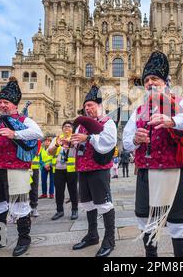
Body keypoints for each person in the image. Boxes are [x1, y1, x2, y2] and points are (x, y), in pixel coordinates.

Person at [123, 51, 183, 257]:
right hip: (145, 173)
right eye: (147, 80)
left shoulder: (181, 103)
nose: (150, 83)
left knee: (177, 223)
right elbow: (126, 141)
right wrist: (135, 139)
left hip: (172, 173)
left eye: (154, 79)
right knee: (145, 221)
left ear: (165, 82)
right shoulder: (138, 110)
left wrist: (172, 121)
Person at [0, 77, 43, 257]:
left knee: (20, 205)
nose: (3, 105)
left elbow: (38, 133)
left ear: (14, 104)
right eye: (1, 102)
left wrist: (14, 133)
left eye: (6, 102)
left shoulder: (24, 120)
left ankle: (23, 239)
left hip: (17, 169)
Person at [71, 85, 118, 257]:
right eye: (86, 106)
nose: (87, 108)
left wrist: (88, 137)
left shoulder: (108, 122)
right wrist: (71, 143)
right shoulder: (81, 125)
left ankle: (110, 240)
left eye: (90, 105)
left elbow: (108, 142)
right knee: (88, 203)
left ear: (99, 105)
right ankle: (92, 235)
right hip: (83, 169)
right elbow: (77, 144)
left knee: (103, 204)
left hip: (99, 169)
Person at [48, 121, 79, 221]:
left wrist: (72, 144)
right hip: (58, 169)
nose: (67, 128)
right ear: (62, 128)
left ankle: (74, 210)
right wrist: (57, 145)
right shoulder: (56, 139)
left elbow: (80, 150)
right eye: (65, 126)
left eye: (69, 126)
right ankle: (59, 211)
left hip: (71, 169)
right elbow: (49, 152)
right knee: (59, 191)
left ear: (72, 129)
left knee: (73, 190)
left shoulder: (75, 139)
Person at [38, 134, 54, 199]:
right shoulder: (41, 149)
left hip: (51, 166)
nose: (47, 142)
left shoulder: (53, 149)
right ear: (44, 142)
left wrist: (49, 164)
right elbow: (40, 159)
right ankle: (44, 194)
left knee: (52, 180)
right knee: (43, 180)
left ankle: (51, 194)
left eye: (48, 141)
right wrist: (44, 165)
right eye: (46, 141)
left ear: (50, 142)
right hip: (43, 167)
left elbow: (54, 158)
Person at [29, 140, 41, 218]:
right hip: (22, 167)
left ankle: (33, 207)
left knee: (34, 188)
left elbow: (37, 152)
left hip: (34, 167)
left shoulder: (37, 140)